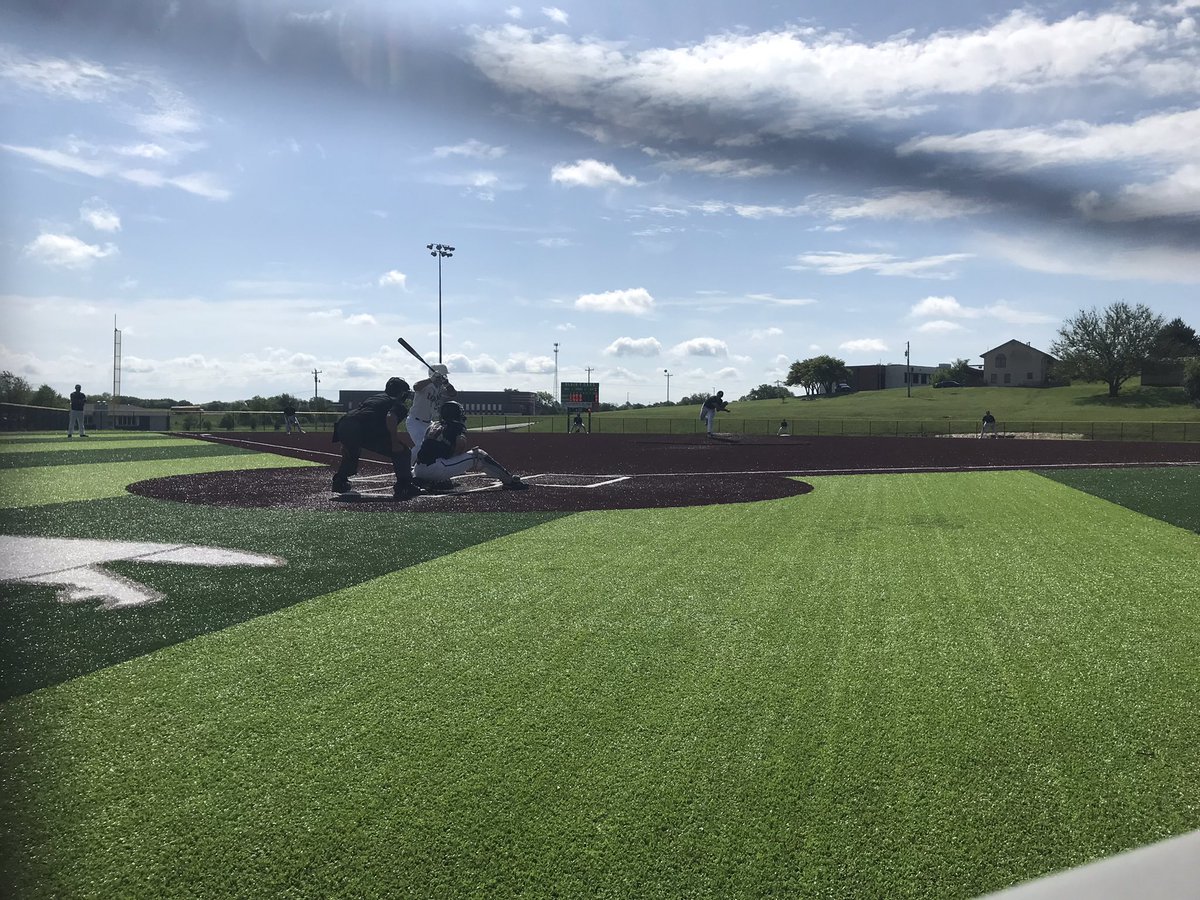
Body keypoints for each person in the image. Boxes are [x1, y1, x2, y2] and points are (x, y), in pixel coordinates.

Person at [330, 377, 422, 499]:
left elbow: (360, 414)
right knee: (403, 452)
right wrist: (394, 442)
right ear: (402, 393)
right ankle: (404, 486)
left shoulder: (375, 397)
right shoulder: (398, 404)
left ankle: (340, 481)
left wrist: (346, 440)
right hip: (363, 428)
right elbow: (391, 417)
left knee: (352, 453)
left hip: (344, 423)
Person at [414, 400, 527, 490]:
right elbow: (458, 448)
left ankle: (429, 481)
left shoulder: (433, 425)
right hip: (435, 468)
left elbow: (427, 447)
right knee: (478, 454)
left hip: (418, 469)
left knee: (442, 459)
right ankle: (509, 481)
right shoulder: (456, 427)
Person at [406, 365, 457, 450]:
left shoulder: (440, 387)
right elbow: (416, 387)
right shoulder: (426, 385)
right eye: (443, 375)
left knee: (436, 444)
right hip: (415, 422)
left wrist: (447, 384)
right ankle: (409, 462)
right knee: (422, 446)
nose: (444, 377)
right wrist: (431, 380)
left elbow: (453, 394)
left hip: (429, 423)